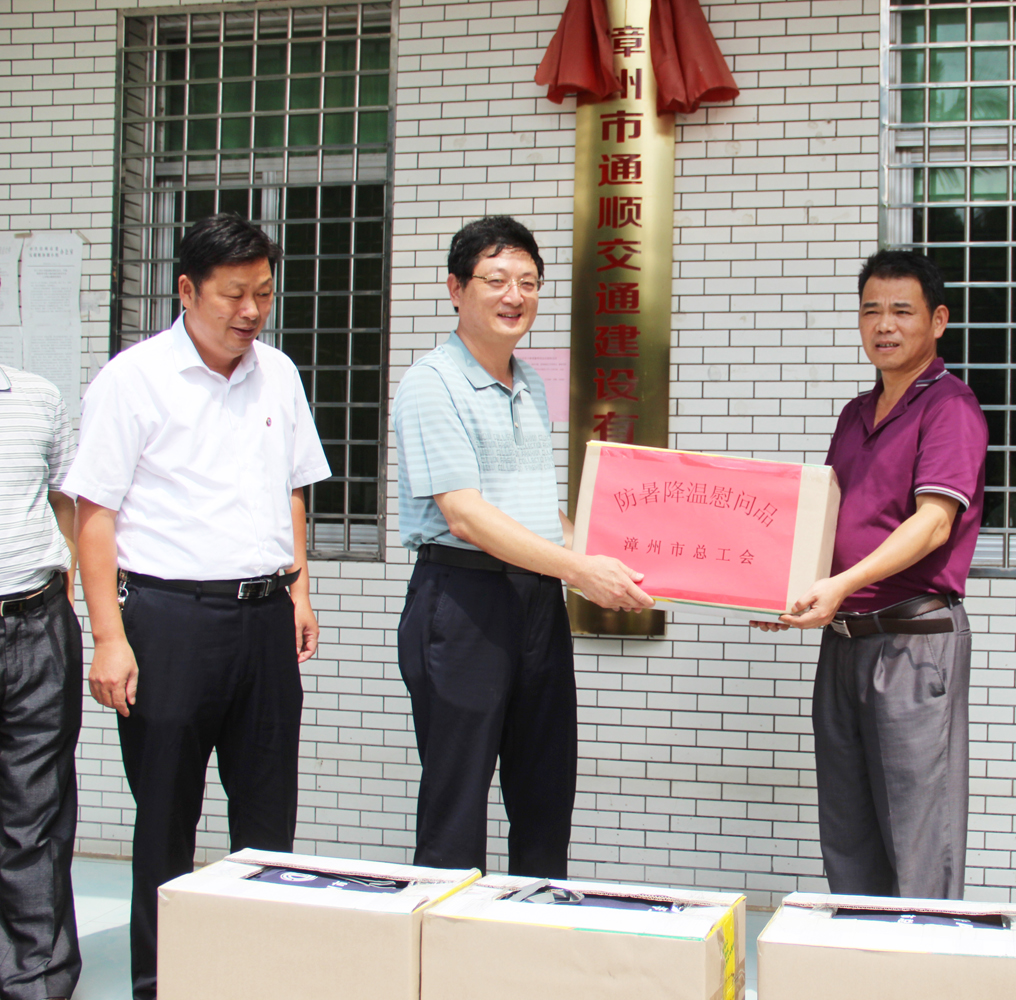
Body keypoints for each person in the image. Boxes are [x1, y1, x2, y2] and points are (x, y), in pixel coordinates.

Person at [65, 214, 329, 1000]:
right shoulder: (133, 380)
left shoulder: (278, 374)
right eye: (233, 294)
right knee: (165, 819)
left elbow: (291, 489)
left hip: (264, 617)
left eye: (264, 294)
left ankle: (258, 978)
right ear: (186, 290)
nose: (250, 311)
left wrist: (299, 589)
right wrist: (108, 638)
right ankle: (161, 982)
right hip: (168, 622)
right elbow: (95, 513)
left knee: (268, 819)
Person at [393, 216, 652, 875]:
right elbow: (465, 516)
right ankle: (451, 940)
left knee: (545, 793)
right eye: (497, 280)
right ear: (456, 288)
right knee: (457, 803)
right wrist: (580, 570)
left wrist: (630, 560)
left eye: (529, 282)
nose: (515, 296)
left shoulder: (531, 382)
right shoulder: (431, 383)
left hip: (536, 603)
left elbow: (537, 513)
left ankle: (536, 928)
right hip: (463, 600)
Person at [754, 250, 987, 899]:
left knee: (918, 838)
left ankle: (924, 953)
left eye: (902, 311)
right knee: (848, 832)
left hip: (912, 645)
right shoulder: (856, 414)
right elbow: (827, 519)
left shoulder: (950, 409)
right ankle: (860, 949)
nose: (884, 325)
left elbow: (933, 522)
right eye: (871, 310)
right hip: (845, 644)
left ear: (937, 321)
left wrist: (840, 584)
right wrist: (786, 587)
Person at [0, 365, 81, 1000]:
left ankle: (35, 981)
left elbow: (66, 497)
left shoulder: (37, 396)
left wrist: (70, 579)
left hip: (35, 619)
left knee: (37, 810)